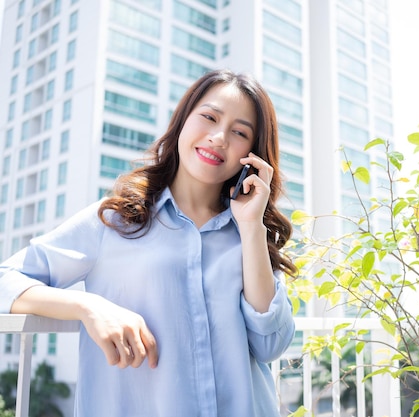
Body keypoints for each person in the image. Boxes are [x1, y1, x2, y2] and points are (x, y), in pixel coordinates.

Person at [0, 69, 298, 416]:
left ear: (252, 153)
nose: (219, 137)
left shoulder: (247, 234)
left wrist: (251, 230)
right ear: (183, 120)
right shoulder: (116, 219)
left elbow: (271, 344)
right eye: (209, 117)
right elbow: (7, 280)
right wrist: (89, 307)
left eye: (239, 132)